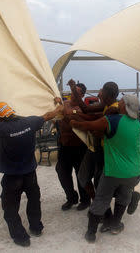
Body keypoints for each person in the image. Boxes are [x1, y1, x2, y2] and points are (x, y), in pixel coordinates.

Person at [0, 91, 63, 247]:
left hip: (12, 176)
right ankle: (36, 228)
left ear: (0, 117)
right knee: (34, 200)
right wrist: (58, 102)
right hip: (30, 173)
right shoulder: (30, 123)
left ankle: (21, 237)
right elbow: (51, 114)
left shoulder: (1, 129)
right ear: (12, 111)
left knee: (10, 207)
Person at [70, 94, 140, 243]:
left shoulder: (112, 121)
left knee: (101, 199)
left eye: (122, 101)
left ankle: (91, 233)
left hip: (114, 172)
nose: (119, 102)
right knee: (123, 196)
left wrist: (73, 122)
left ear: (125, 106)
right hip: (135, 172)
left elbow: (89, 126)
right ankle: (116, 224)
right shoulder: (139, 124)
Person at [56, 82, 91, 211]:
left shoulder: (83, 108)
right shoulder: (64, 104)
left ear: (81, 94)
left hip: (79, 147)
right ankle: (71, 197)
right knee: (62, 172)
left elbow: (73, 123)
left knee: (80, 174)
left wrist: (61, 111)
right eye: (72, 90)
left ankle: (85, 200)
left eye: (76, 91)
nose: (72, 93)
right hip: (64, 146)